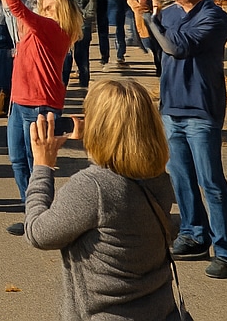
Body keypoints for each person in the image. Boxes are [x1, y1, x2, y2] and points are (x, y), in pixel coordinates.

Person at [23, 79, 186, 321]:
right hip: (160, 310)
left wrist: (42, 166)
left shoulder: (93, 187)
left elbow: (38, 233)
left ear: (100, 126)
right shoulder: (156, 177)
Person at [129, 0, 227, 278]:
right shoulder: (169, 13)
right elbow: (156, 49)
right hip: (171, 108)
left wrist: (148, 19)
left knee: (212, 183)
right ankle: (193, 234)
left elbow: (178, 48)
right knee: (180, 178)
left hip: (201, 110)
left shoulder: (215, 17)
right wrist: (147, 21)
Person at [0, 0, 83, 235]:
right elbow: (16, 13)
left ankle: (41, 215)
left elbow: (18, 9)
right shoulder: (37, 31)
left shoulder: (55, 29)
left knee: (36, 161)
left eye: (49, 7)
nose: (43, 12)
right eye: (42, 7)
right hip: (20, 102)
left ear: (60, 13)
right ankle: (32, 211)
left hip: (39, 104)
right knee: (17, 159)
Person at [54, 0, 97, 87]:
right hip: (64, 26)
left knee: (82, 56)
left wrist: (87, 17)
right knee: (65, 58)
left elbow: (92, 3)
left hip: (82, 25)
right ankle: (62, 86)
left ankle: (84, 85)